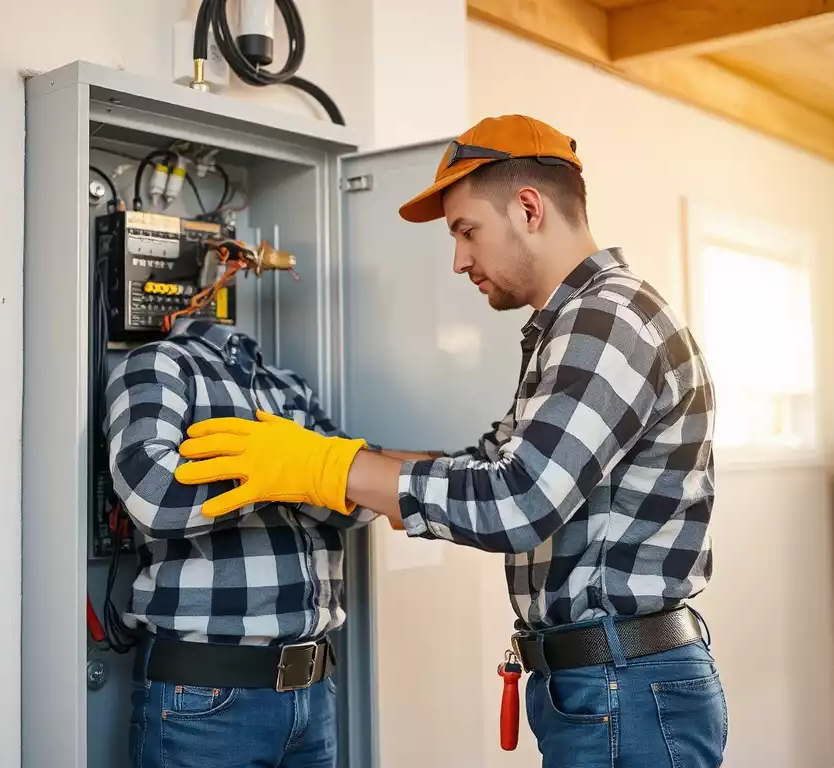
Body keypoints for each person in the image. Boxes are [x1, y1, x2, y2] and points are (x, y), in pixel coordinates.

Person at [172, 115, 727, 767]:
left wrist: (326, 467)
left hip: (623, 683)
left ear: (528, 209)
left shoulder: (605, 320)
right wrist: (324, 459)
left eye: (467, 231)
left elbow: (517, 501)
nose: (459, 260)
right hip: (607, 683)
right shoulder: (578, 323)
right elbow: (489, 464)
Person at [104, 317, 380, 768]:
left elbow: (364, 496)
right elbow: (152, 494)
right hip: (204, 696)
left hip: (314, 695)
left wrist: (277, 473)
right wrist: (297, 474)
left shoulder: (290, 388)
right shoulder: (161, 363)